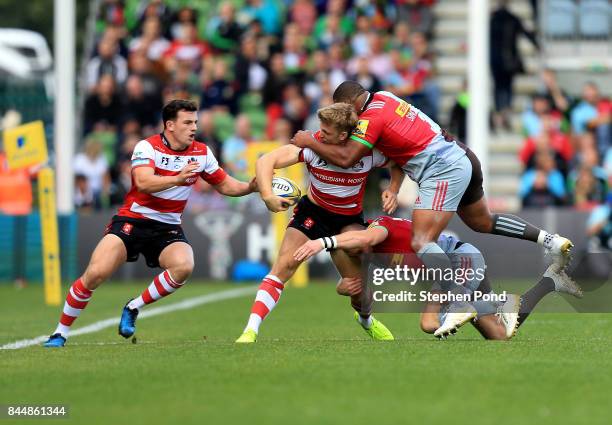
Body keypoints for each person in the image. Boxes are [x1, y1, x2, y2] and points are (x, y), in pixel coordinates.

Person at [291, 81, 573, 295]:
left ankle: (458, 296)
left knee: (421, 241)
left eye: (344, 112)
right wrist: (394, 185)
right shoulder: (386, 98)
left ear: (351, 105)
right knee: (482, 222)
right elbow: (396, 150)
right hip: (463, 156)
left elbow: (346, 157)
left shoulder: (368, 119)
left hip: (442, 170)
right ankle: (550, 240)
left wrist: (310, 141)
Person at [44, 100, 258, 348]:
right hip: (133, 220)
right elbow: (144, 182)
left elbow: (225, 185)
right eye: (187, 122)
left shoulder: (202, 152)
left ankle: (134, 306)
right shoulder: (147, 147)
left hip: (167, 227)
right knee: (96, 273)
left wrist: (250, 187)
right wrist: (177, 179)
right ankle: (60, 333)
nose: (193, 128)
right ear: (170, 125)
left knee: (184, 265)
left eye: (195, 122)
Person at [235, 103, 404, 343]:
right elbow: (266, 161)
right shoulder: (311, 145)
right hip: (313, 213)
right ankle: (250, 330)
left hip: (348, 221)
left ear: (343, 135)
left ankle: (366, 319)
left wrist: (393, 189)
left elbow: (399, 160)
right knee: (284, 266)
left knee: (358, 292)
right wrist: (267, 195)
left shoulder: (367, 152)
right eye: (320, 128)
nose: (319, 133)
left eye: (326, 131)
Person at [294, 216, 583, 341]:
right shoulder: (367, 253)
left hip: (460, 260)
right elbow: (364, 295)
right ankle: (550, 281)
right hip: (447, 275)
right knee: (499, 335)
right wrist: (344, 288)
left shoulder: (378, 229)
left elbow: (365, 236)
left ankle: (500, 303)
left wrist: (323, 242)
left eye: (350, 242)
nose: (353, 248)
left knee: (428, 322)